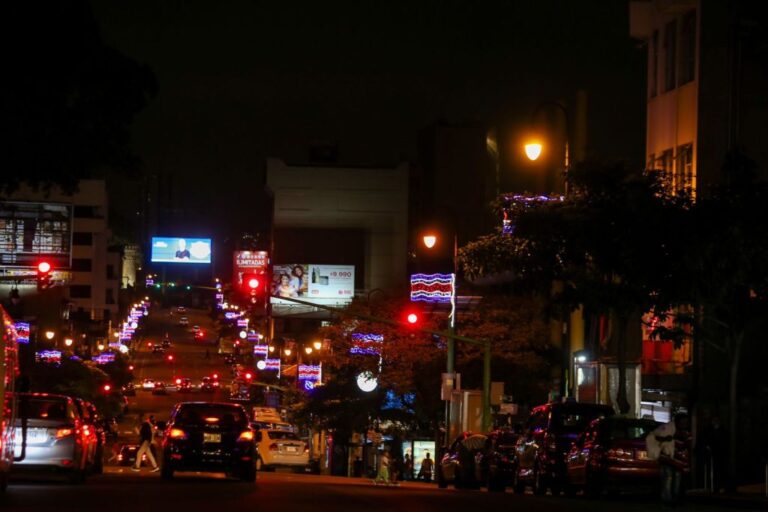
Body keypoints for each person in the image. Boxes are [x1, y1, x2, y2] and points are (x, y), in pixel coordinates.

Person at [648, 413, 689, 507]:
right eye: (683, 421)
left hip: (677, 460)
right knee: (668, 479)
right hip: (668, 459)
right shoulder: (668, 428)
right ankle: (668, 500)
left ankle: (673, 499)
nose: (685, 423)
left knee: (675, 480)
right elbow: (655, 436)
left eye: (686, 422)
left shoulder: (684, 431)